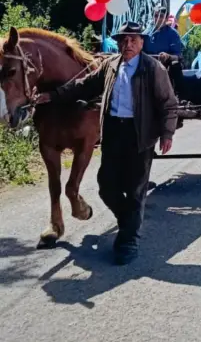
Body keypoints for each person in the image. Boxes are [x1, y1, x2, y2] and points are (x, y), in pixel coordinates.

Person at [35, 22, 177, 265]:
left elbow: (168, 103)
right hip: (112, 132)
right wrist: (53, 95)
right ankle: (129, 222)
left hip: (139, 135)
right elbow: (84, 85)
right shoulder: (110, 66)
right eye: (124, 40)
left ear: (142, 42)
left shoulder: (152, 69)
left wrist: (167, 133)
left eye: (133, 40)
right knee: (106, 186)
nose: (128, 44)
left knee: (134, 190)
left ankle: (127, 241)